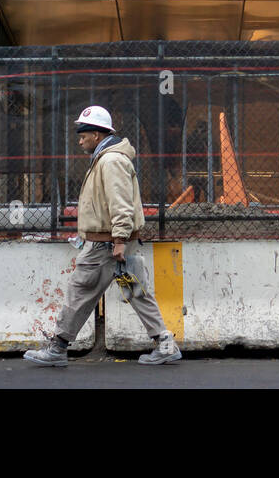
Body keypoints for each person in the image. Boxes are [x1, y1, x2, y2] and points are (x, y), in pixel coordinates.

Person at [24, 105, 182, 367]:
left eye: (83, 134)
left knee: (79, 290)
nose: (80, 139)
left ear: (97, 135)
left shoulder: (110, 161)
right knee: (135, 290)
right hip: (112, 240)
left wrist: (118, 240)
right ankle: (164, 343)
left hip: (105, 243)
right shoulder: (108, 158)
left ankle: (58, 348)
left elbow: (121, 204)